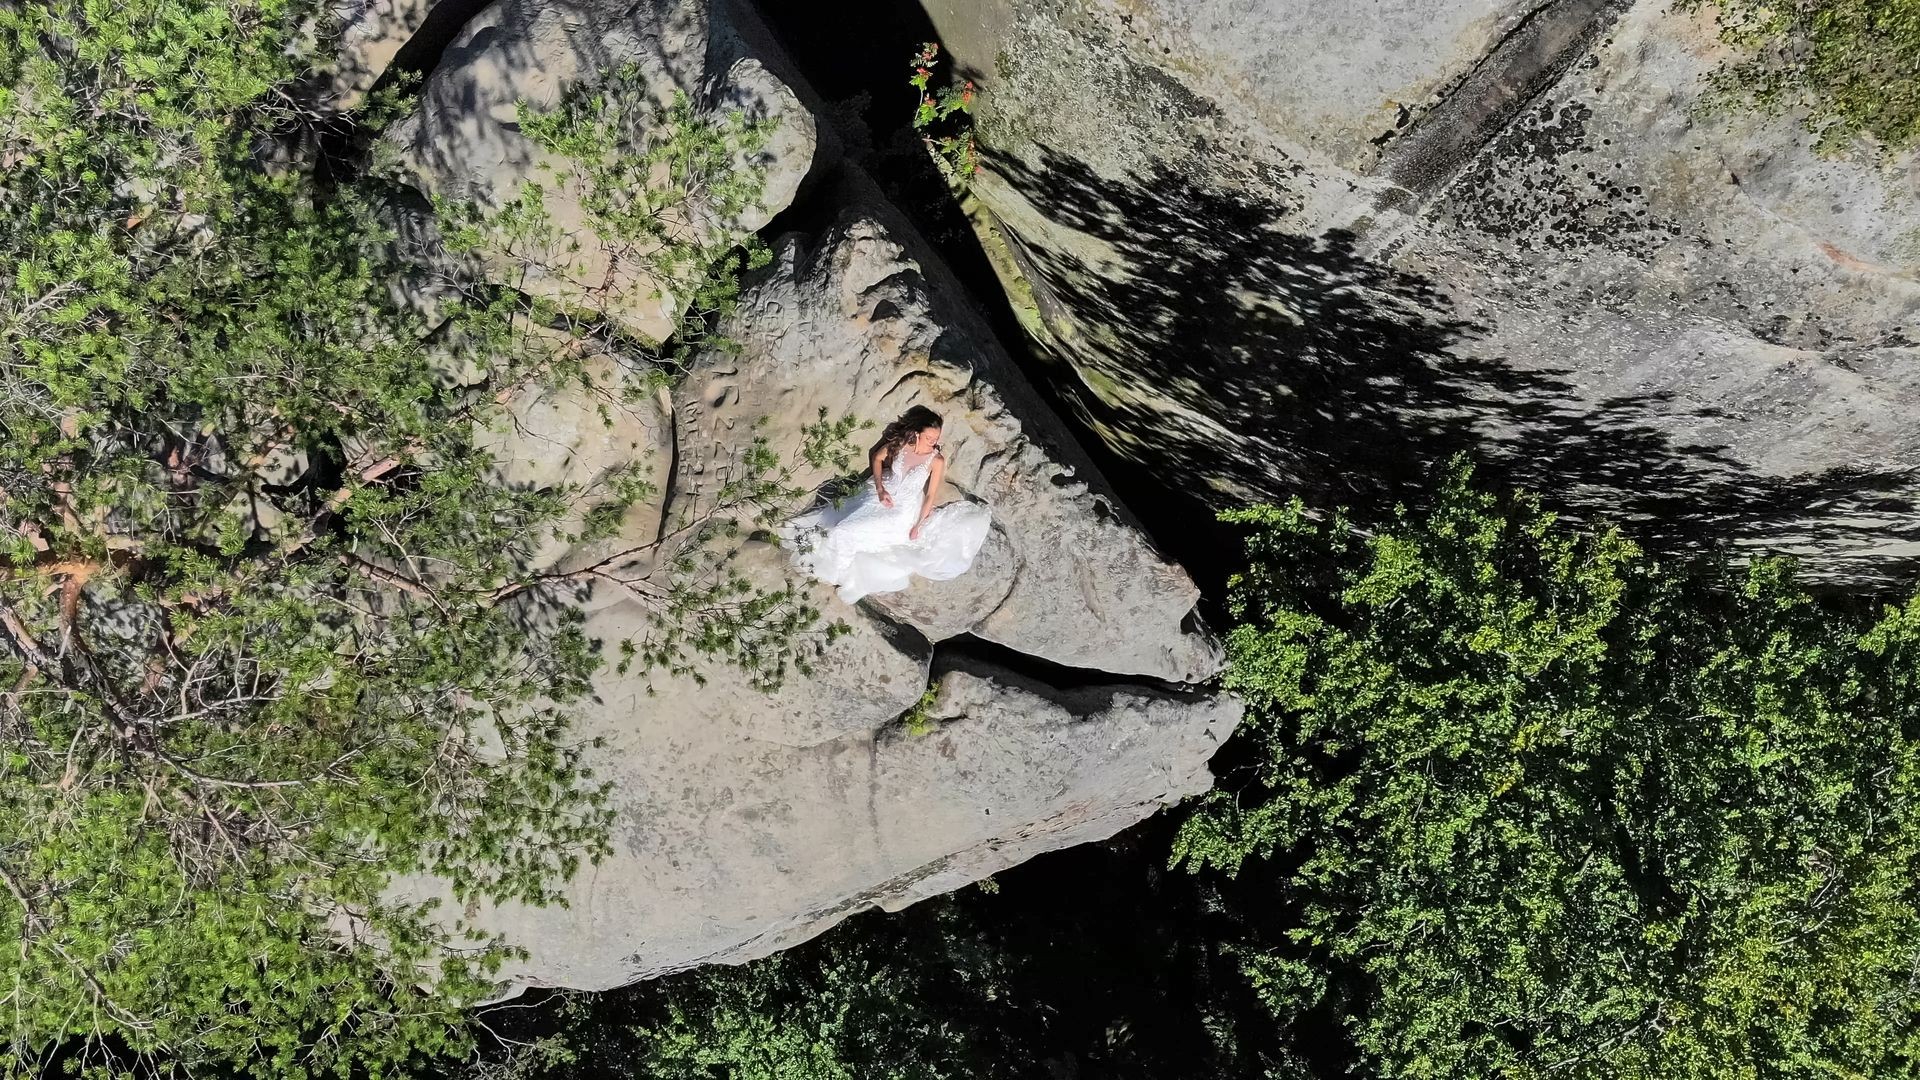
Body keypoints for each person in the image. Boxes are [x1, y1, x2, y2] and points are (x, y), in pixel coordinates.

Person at [782, 405, 992, 604]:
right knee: (840, 524)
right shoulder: (902, 444)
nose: (933, 442)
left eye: (936, 438)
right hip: (878, 493)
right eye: (929, 437)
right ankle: (832, 555)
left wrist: (918, 525)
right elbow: (877, 458)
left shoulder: (936, 460)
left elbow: (930, 496)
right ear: (917, 433)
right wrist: (881, 489)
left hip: (902, 509)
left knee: (845, 530)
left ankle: (839, 570)